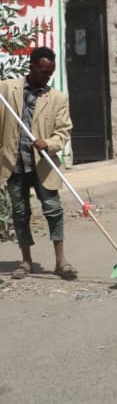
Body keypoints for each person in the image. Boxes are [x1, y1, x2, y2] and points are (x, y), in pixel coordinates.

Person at [0, 47, 76, 280]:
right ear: (31, 66)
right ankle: (25, 261)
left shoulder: (57, 98)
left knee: (53, 210)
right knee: (20, 213)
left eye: (50, 73)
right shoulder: (6, 89)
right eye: (43, 72)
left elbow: (63, 131)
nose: (46, 77)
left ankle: (61, 261)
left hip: (43, 165)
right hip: (13, 163)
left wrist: (50, 144)